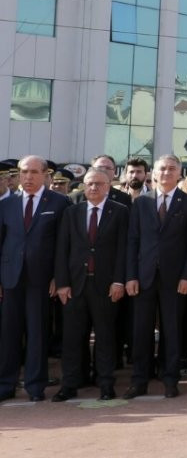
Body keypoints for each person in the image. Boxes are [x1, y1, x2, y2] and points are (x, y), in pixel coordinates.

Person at [124, 155, 187, 399]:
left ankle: (170, 379)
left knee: (172, 330)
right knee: (141, 331)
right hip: (144, 277)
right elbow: (132, 242)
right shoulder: (141, 202)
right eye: (161, 169)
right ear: (153, 174)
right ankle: (139, 380)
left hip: (175, 278)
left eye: (171, 169)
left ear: (179, 173)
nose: (166, 172)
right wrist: (131, 276)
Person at [52, 167, 128, 401]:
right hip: (75, 285)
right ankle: (70, 384)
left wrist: (118, 281)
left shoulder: (120, 212)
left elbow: (124, 250)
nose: (94, 187)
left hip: (106, 286)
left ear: (108, 186)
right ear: (83, 186)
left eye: (99, 184)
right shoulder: (72, 212)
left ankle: (106, 384)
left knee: (105, 337)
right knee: (73, 338)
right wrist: (63, 283)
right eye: (89, 183)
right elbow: (62, 249)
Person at [0, 156, 71, 402]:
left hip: (41, 280)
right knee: (8, 333)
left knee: (38, 333)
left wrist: (58, 277)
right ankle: (5, 384)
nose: (28, 177)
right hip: (11, 278)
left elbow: (64, 246)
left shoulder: (60, 203)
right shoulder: (7, 204)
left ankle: (35, 385)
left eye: (33, 172)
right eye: (23, 172)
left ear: (45, 175)